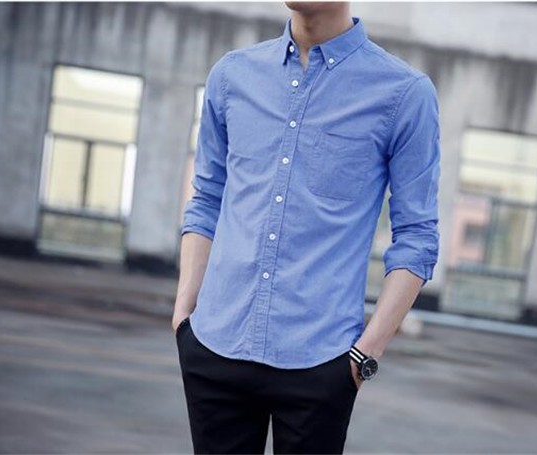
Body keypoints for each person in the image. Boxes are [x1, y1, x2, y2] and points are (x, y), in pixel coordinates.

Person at [172, 2, 441, 454]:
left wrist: (366, 354)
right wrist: (185, 313)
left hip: (322, 364)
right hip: (215, 346)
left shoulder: (403, 94)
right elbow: (207, 198)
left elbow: (417, 235)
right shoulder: (232, 76)